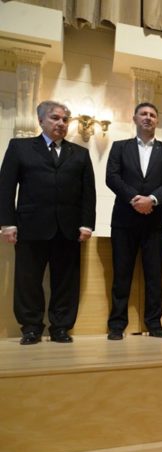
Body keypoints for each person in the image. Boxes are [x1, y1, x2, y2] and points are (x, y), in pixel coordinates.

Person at [0, 100, 96, 344]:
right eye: (55, 118)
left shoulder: (81, 154)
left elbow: (89, 193)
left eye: (65, 119)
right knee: (28, 280)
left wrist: (87, 224)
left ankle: (61, 327)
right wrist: (7, 223)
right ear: (40, 120)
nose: (61, 123)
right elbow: (6, 187)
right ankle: (31, 327)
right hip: (31, 226)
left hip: (68, 228)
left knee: (66, 281)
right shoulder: (20, 147)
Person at [106, 102, 162, 340]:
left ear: (157, 121)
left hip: (155, 222)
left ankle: (154, 323)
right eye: (143, 114)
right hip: (124, 221)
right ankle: (117, 325)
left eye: (152, 115)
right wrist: (134, 199)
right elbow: (112, 177)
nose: (148, 118)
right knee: (121, 275)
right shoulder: (119, 147)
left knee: (153, 276)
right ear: (134, 118)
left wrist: (153, 200)